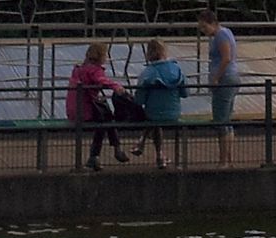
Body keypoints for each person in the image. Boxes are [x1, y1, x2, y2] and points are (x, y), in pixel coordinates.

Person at [65, 42, 128, 170]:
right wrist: (116, 87)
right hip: (84, 110)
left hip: (73, 109)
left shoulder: (78, 69)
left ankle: (98, 156)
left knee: (104, 116)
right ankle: (111, 150)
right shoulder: (94, 70)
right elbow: (101, 80)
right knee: (106, 120)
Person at [197, 9, 240, 167]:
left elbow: (226, 58)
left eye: (204, 27)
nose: (203, 31)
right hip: (231, 78)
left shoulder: (221, 35)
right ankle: (228, 159)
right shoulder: (225, 32)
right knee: (227, 121)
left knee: (221, 121)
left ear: (213, 23)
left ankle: (223, 161)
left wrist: (215, 77)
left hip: (225, 79)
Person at [135, 38, 187, 168]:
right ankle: (156, 153)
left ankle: (151, 148)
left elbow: (139, 100)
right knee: (156, 120)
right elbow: (185, 93)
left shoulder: (147, 73)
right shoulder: (177, 69)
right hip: (173, 113)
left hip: (153, 113)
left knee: (153, 119)